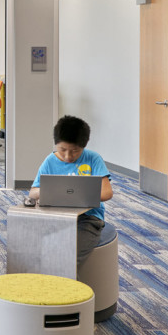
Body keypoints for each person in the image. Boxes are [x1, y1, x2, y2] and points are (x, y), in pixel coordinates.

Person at [26, 115, 116, 269]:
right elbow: (33, 193)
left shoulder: (93, 159)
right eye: (62, 150)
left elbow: (107, 193)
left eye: (75, 151)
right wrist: (53, 193)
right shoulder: (50, 161)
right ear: (56, 145)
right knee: (36, 251)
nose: (68, 156)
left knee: (67, 258)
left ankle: (68, 291)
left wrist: (78, 195)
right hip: (56, 217)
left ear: (83, 146)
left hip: (88, 220)